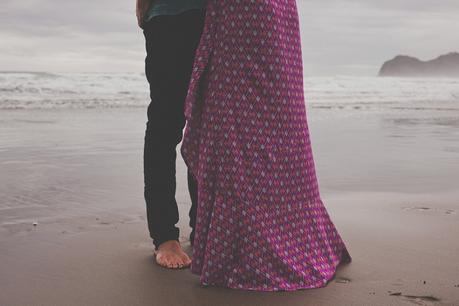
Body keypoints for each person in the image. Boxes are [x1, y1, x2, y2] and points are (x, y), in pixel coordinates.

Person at [180, 0, 352, 291]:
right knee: (275, 112)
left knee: (241, 119)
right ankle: (290, 235)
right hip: (273, 12)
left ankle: (242, 247)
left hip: (246, 13)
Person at [136, 0, 206, 269]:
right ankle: (164, 235)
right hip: (170, 16)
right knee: (165, 126)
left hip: (217, 20)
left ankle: (203, 225)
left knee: (207, 128)